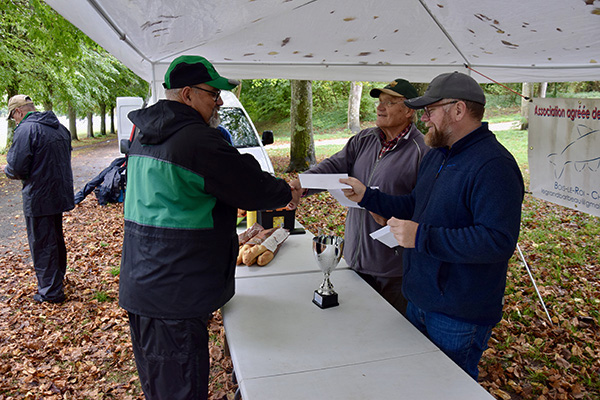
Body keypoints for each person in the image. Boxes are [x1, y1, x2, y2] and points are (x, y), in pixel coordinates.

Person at [119, 55, 298, 400]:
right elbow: (246, 182)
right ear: (187, 94)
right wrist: (286, 192)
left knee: (162, 385)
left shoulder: (146, 132)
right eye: (212, 93)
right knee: (180, 390)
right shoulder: (195, 139)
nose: (218, 101)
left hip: (145, 280)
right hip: (175, 292)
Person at [340, 71, 524, 380]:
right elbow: (415, 205)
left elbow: (496, 241)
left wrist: (420, 236)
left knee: (449, 388)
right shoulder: (437, 155)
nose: (424, 118)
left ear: (458, 109)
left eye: (431, 109)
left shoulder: (494, 166)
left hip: (458, 313)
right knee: (415, 381)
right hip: (420, 298)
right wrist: (368, 197)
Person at [289, 79, 429, 314]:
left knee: (389, 336)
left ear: (409, 110)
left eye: (389, 102)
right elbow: (334, 167)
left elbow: (424, 207)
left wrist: (386, 211)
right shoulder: (364, 139)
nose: (380, 107)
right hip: (354, 261)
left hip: (393, 270)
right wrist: (302, 184)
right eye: (380, 102)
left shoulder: (422, 151)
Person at [4, 94, 75, 304]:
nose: (14, 121)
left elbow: (17, 167)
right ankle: (57, 280)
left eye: (13, 116)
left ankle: (50, 292)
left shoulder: (26, 129)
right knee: (55, 239)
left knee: (42, 243)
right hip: (58, 193)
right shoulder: (59, 127)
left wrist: (8, 169)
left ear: (19, 111)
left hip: (38, 196)